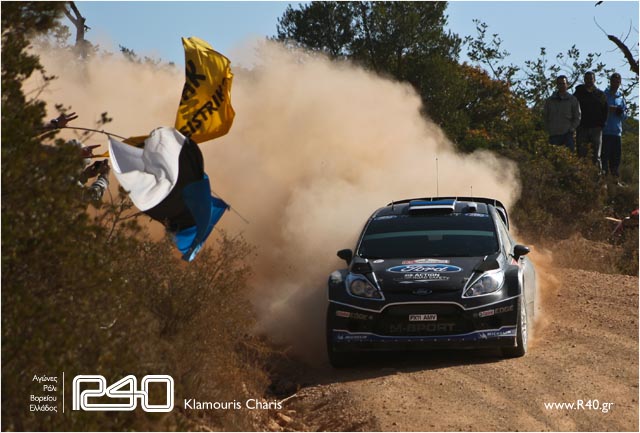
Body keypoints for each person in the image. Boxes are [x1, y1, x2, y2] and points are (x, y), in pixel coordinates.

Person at [573, 71, 608, 170]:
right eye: (587, 79)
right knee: (581, 154)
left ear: (594, 80)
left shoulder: (600, 95)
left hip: (596, 129)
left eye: (591, 79)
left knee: (596, 155)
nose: (589, 81)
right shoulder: (578, 94)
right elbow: (573, 108)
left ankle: (597, 176)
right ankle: (582, 175)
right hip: (582, 128)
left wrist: (602, 124)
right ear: (584, 80)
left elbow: (605, 110)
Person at [602, 73, 628, 185]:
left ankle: (615, 181)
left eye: (617, 82)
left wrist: (619, 111)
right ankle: (603, 181)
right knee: (604, 157)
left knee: (616, 159)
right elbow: (599, 110)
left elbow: (625, 116)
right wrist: (608, 109)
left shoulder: (621, 98)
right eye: (613, 81)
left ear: (620, 83)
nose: (615, 84)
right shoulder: (604, 95)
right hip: (605, 132)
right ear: (610, 81)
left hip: (617, 133)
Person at [543, 75, 581, 151]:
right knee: (553, 156)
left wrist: (571, 129)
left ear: (567, 84)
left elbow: (577, 117)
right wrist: (548, 129)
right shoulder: (550, 101)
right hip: (553, 135)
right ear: (557, 85)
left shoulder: (572, 100)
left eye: (563, 83)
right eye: (559, 84)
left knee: (569, 156)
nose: (562, 86)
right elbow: (545, 116)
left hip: (567, 135)